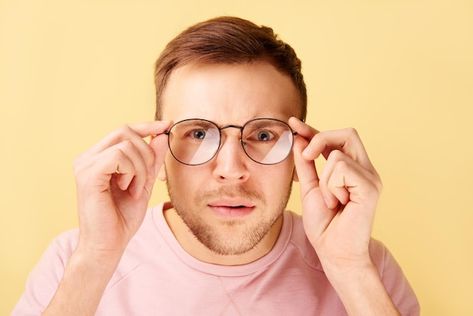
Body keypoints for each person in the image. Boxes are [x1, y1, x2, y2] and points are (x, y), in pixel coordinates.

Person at [13, 16, 419, 316]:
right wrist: (96, 260)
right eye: (198, 133)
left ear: (302, 155)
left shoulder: (366, 267)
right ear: (156, 150)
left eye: (262, 135)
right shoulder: (75, 261)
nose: (230, 169)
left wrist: (351, 271)